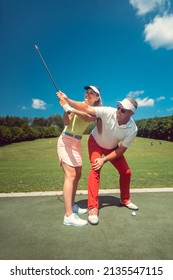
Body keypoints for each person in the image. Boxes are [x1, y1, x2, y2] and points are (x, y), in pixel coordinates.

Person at [57, 91, 139, 225]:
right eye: (119, 107)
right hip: (95, 142)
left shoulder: (133, 129)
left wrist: (105, 159)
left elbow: (121, 150)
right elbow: (87, 109)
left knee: (126, 172)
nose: (119, 111)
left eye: (123, 110)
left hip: (112, 148)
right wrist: (68, 100)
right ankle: (93, 208)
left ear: (131, 114)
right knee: (95, 169)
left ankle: (125, 199)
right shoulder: (108, 111)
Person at [57, 85, 102, 227]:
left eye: (91, 93)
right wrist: (65, 108)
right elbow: (66, 121)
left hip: (76, 142)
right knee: (70, 175)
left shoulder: (96, 111)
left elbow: (87, 117)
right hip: (65, 140)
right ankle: (68, 215)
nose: (88, 94)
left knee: (78, 174)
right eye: (87, 92)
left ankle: (72, 204)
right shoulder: (76, 104)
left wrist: (69, 104)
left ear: (97, 98)